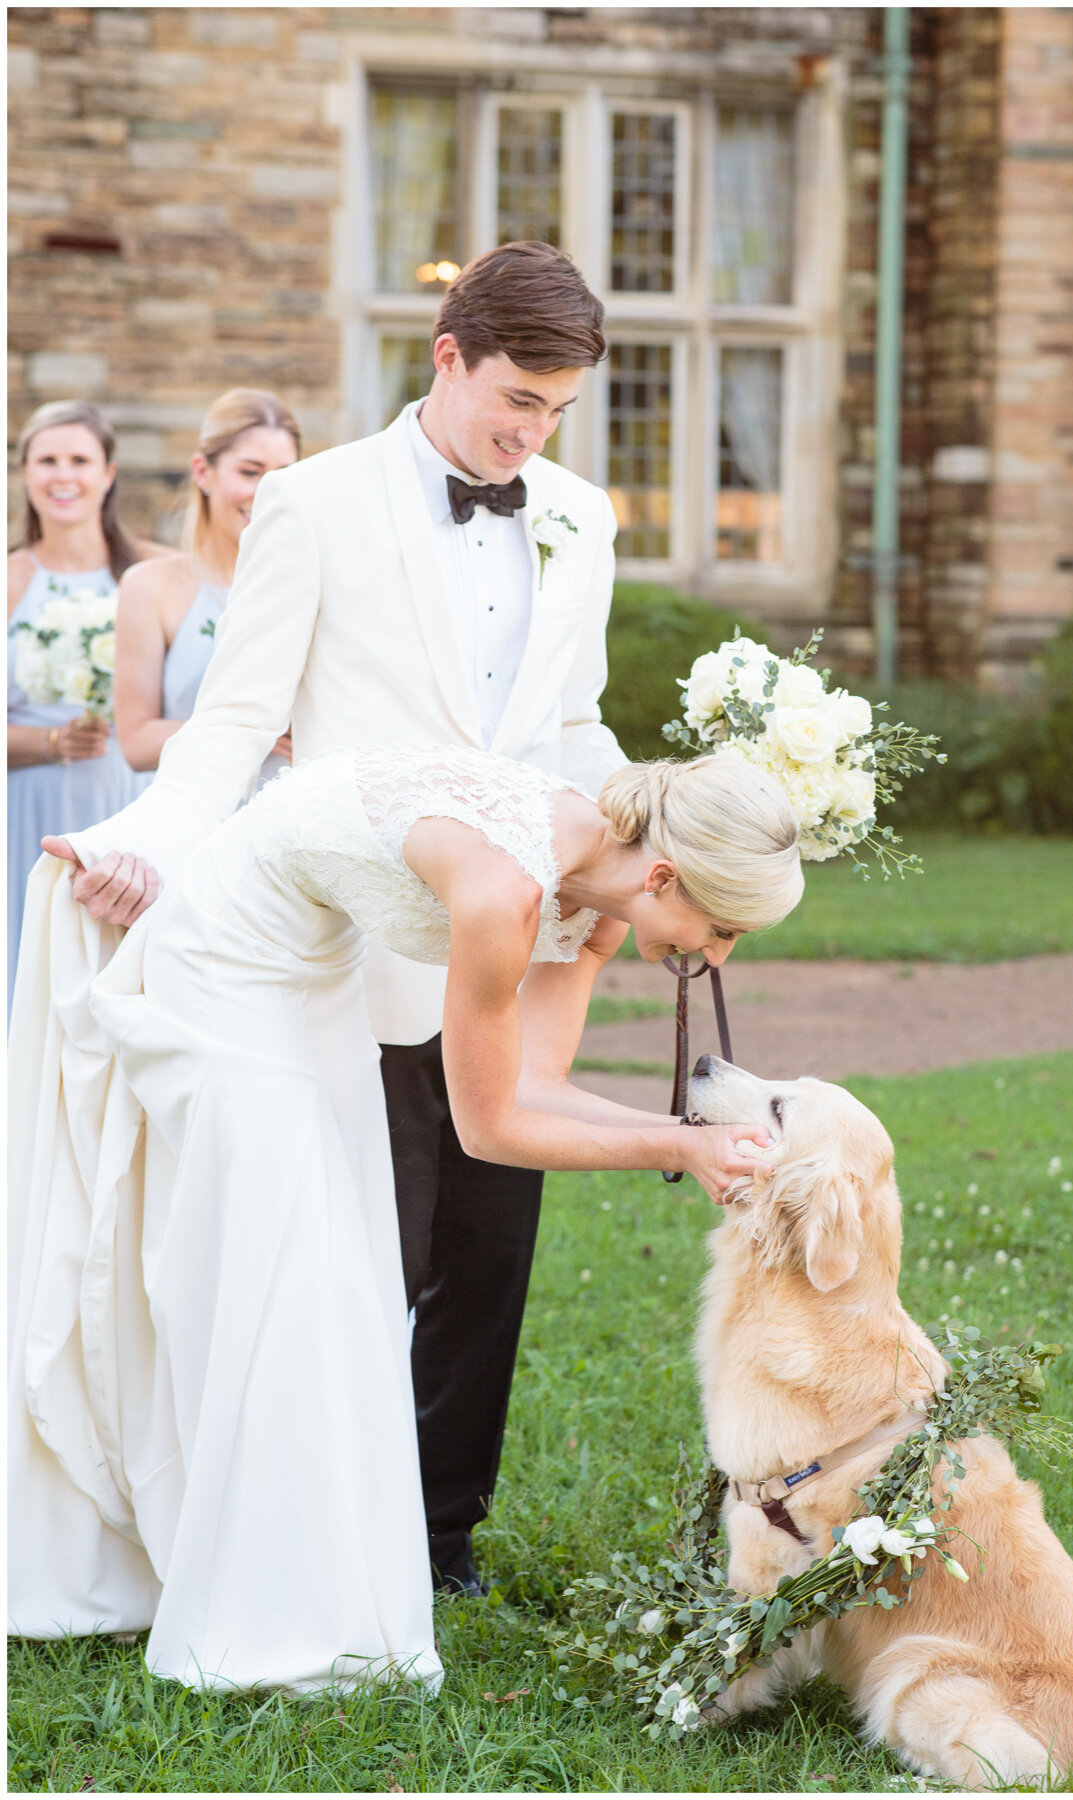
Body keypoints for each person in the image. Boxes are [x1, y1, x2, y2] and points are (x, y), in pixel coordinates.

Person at [20, 242, 626, 1603]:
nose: (529, 433)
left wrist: (651, 831)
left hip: (508, 932)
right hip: (350, 944)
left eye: (554, 412)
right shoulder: (310, 502)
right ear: (447, 356)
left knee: (489, 1249)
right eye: (513, 401)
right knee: (366, 1252)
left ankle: (441, 1533)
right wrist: (148, 845)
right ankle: (324, 1528)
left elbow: (569, 721)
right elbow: (236, 721)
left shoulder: (584, 518)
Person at [13, 747, 790, 1689]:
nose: (717, 957)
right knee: (295, 1271)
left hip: (317, 970)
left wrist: (685, 1133)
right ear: (665, 876)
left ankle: (306, 1583)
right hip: (228, 953)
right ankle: (252, 1605)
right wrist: (680, 1149)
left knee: (342, 1281)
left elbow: (539, 1083)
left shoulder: (595, 917)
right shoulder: (508, 892)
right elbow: (492, 1125)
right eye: (724, 926)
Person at [7, 400, 173, 999]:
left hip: (133, 801)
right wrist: (49, 742)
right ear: (25, 472)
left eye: (80, 459)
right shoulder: (9, 582)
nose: (63, 475)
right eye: (47, 460)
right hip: (28, 811)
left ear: (107, 473)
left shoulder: (158, 573)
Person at [112, 389, 302, 782]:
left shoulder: (313, 586)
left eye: (282, 474)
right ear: (202, 472)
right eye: (250, 472)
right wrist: (249, 733)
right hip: (189, 815)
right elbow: (136, 742)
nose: (267, 491)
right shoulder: (151, 587)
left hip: (292, 814)